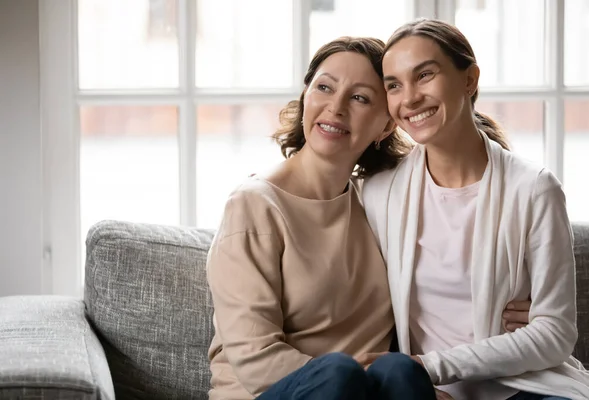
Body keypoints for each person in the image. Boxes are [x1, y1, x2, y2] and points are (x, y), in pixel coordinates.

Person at [206, 36, 530, 400]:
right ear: (305, 97)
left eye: (360, 98)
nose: (336, 107)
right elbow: (256, 360)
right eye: (324, 87)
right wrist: (367, 386)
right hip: (278, 392)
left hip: (374, 388)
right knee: (338, 373)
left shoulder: (381, 203)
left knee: (400, 371)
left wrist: (519, 304)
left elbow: (449, 279)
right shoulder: (254, 207)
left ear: (386, 126)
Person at [362, 18, 589, 400]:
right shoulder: (378, 194)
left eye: (424, 75)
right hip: (419, 390)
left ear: (469, 79)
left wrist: (432, 366)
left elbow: (554, 334)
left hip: (525, 386)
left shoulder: (535, 189)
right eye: (393, 85)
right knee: (394, 374)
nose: (408, 99)